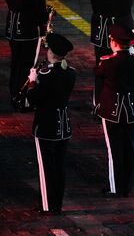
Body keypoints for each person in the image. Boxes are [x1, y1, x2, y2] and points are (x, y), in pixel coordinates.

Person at [26, 33, 75, 214]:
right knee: (59, 166)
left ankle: (47, 205)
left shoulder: (45, 75)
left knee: (46, 167)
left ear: (50, 53)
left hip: (46, 125)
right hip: (63, 124)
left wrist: (32, 81)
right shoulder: (70, 73)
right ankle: (57, 204)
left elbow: (33, 99)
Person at [95, 25, 134, 197]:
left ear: (113, 42)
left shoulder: (108, 61)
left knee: (114, 148)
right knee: (130, 147)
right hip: (131, 109)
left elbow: (98, 73)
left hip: (112, 109)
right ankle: (126, 186)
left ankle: (115, 186)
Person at [3, 0, 49, 110]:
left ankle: (13, 93)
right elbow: (40, 12)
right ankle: (22, 98)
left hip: (11, 28)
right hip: (28, 30)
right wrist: (45, 20)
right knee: (28, 64)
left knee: (16, 62)